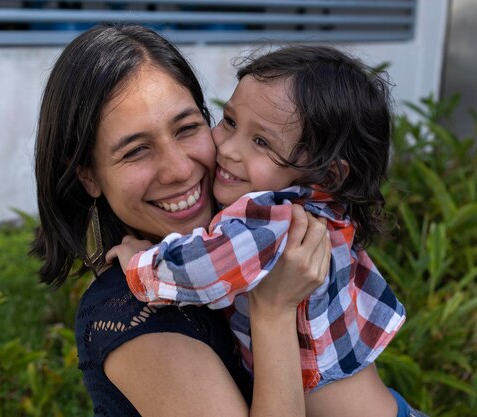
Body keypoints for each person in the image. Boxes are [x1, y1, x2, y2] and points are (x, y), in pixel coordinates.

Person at [30, 24, 332, 417]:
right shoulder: (140, 320)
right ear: (88, 175)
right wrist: (274, 312)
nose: (177, 170)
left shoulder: (249, 234)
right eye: (136, 151)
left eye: (187, 128)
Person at [109, 45, 424, 417]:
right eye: (229, 121)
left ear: (327, 174)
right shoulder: (309, 204)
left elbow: (203, 266)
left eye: (261, 142)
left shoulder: (273, 219)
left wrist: (141, 265)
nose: (229, 149)